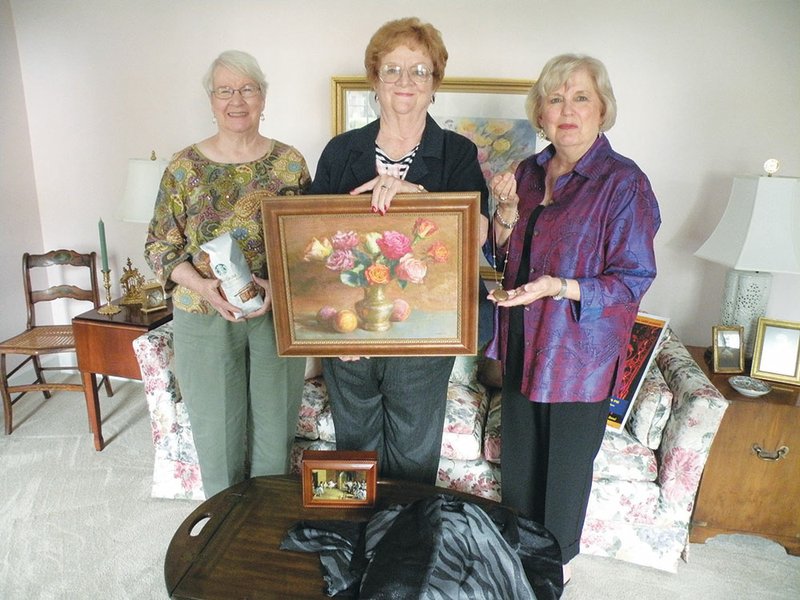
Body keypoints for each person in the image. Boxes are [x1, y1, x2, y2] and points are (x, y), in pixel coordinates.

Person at [486, 54, 661, 583]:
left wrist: (560, 287)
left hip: (578, 358)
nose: (567, 109)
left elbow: (634, 276)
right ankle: (512, 575)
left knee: (561, 484)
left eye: (580, 97)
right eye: (555, 98)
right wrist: (508, 216)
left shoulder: (623, 182)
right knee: (518, 474)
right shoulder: (527, 173)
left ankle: (547, 581)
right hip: (522, 342)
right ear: (539, 112)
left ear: (602, 108)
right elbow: (504, 260)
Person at [310, 17, 490, 485]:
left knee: (413, 448)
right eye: (392, 70)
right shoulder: (340, 151)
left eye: (419, 70)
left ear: (435, 83)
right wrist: (333, 336)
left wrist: (420, 197)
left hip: (423, 332)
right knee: (354, 444)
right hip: (349, 332)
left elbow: (478, 235)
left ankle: (404, 549)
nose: (405, 81)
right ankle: (355, 542)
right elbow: (311, 242)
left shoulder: (457, 154)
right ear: (375, 79)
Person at [144, 50, 310, 498]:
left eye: (248, 89)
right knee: (216, 435)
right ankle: (222, 529)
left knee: (275, 429)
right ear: (211, 100)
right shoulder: (183, 168)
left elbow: (309, 245)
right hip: (202, 314)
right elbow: (160, 247)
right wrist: (203, 286)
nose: (237, 100)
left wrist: (279, 286)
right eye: (225, 91)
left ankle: (264, 527)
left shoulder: (290, 164)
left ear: (263, 98)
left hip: (275, 314)